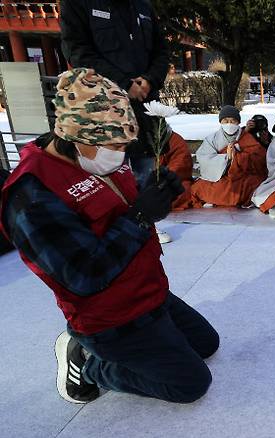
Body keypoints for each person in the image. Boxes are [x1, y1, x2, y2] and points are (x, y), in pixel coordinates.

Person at [0, 69, 219, 405]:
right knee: (191, 384)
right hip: (110, 318)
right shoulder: (31, 196)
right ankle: (90, 364)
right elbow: (83, 275)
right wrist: (140, 217)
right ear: (78, 137)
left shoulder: (98, 157)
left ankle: (147, 343)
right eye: (114, 145)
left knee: (206, 344)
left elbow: (121, 200)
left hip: (148, 292)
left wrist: (158, 191)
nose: (120, 154)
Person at [60, 0, 170, 187]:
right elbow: (78, 52)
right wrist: (123, 84)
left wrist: (150, 80)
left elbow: (161, 51)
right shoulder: (76, 4)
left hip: (144, 112)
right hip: (103, 115)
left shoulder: (142, 6)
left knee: (147, 182)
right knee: (109, 188)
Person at [191, 107, 269, 208]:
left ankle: (225, 199)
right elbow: (204, 158)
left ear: (238, 122)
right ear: (220, 122)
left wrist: (237, 157)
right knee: (198, 187)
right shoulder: (212, 139)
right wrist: (226, 158)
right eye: (225, 121)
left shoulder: (246, 137)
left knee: (254, 184)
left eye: (233, 121)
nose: (229, 124)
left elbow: (259, 159)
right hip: (219, 177)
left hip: (241, 177)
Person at [147, 120, 194, 212]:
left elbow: (181, 163)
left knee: (182, 191)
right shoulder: (143, 140)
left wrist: (161, 177)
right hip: (146, 181)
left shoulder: (175, 139)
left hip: (171, 181)